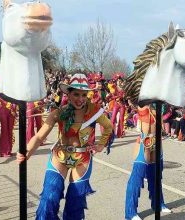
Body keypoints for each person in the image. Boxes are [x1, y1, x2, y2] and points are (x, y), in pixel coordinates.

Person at [16, 73, 113, 219]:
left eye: (84, 95)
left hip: (83, 159)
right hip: (59, 155)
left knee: (75, 203)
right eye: (76, 94)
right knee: (49, 198)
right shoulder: (58, 113)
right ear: (68, 93)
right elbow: (39, 136)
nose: (80, 99)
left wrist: (101, 145)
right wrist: (26, 152)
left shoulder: (95, 112)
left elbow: (109, 127)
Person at [125, 104, 171, 220]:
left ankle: (158, 203)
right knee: (136, 178)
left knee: (156, 177)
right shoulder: (145, 107)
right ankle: (130, 213)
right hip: (144, 143)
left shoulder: (160, 104)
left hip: (157, 143)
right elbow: (146, 133)